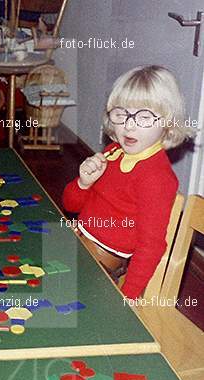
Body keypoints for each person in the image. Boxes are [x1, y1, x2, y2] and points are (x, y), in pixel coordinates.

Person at [62, 65, 193, 299]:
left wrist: (128, 296)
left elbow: (150, 247)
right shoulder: (114, 152)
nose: (129, 126)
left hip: (101, 267)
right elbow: (70, 206)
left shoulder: (157, 178)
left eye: (144, 117)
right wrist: (83, 183)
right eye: (121, 114)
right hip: (76, 243)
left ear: (168, 123)